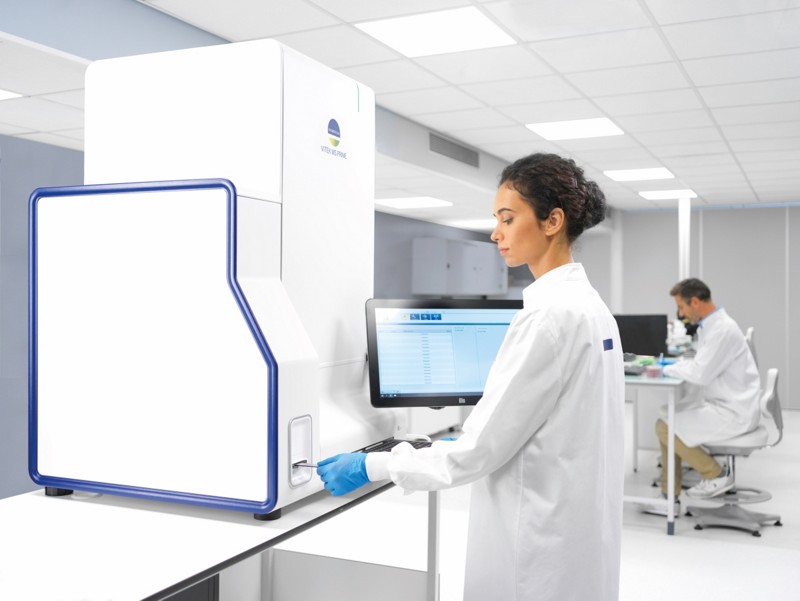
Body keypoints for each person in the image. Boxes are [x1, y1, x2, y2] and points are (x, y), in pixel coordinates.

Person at [318, 153, 625, 601]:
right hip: (576, 535)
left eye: (507, 218)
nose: (495, 232)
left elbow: (475, 452)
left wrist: (370, 465)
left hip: (536, 547)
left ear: (552, 221)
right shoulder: (592, 309)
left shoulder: (546, 318)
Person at [657, 278, 760, 503]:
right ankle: (668, 494)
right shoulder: (713, 326)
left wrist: (667, 368)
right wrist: (677, 366)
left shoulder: (721, 330)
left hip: (733, 412)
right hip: (728, 404)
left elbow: (700, 373)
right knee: (667, 414)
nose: (681, 314)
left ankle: (715, 474)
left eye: (681, 307)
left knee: (665, 426)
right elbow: (701, 365)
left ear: (695, 302)